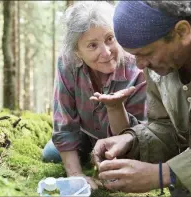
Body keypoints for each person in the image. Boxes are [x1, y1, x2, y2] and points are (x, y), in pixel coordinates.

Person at [92, 1, 191, 196]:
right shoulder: (160, 66)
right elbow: (167, 126)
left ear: (182, 32)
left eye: (146, 53)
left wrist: (164, 174)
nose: (140, 65)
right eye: (134, 56)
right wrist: (131, 140)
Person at [42, 1, 147, 190]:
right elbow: (64, 123)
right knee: (51, 154)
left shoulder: (137, 65)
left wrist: (115, 107)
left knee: (115, 176)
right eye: (92, 45)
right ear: (77, 52)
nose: (106, 53)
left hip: (125, 140)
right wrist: (76, 175)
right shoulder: (67, 64)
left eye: (110, 39)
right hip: (85, 135)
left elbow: (137, 135)